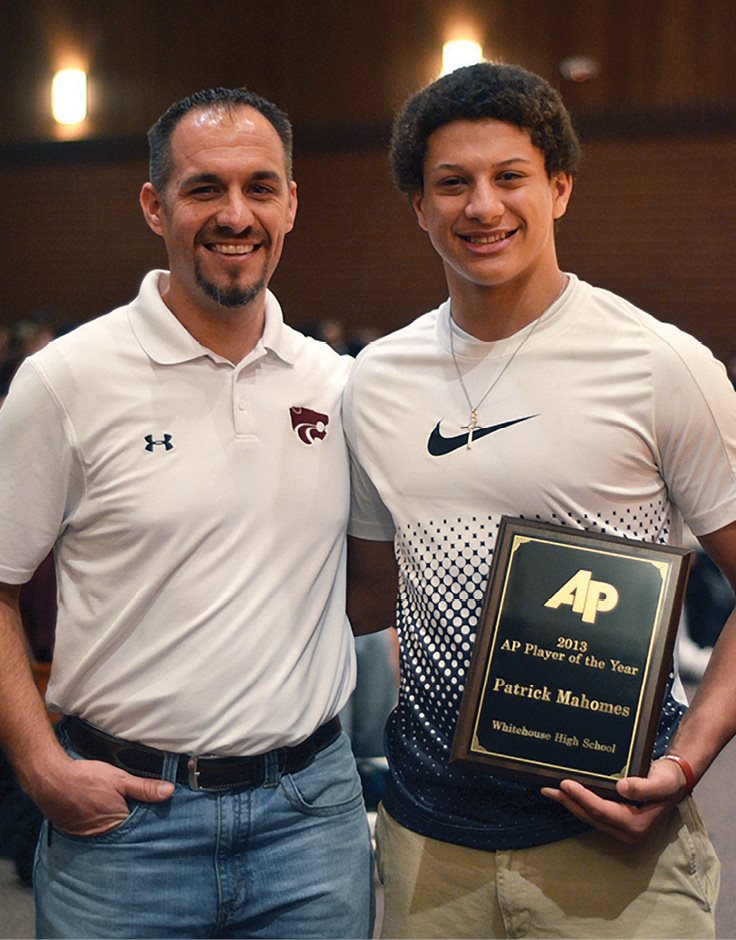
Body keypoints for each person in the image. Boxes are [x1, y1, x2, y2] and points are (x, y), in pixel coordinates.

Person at [344, 62, 736, 939]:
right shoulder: (374, 382)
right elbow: (367, 598)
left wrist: (689, 760)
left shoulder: (658, 363)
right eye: (452, 183)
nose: (482, 205)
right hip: (426, 843)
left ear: (558, 187)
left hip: (617, 847)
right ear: (419, 206)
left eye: (509, 176)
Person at [0, 87, 373, 939]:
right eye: (205, 188)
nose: (234, 215)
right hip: (124, 828)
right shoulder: (67, 382)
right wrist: (39, 764)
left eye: (259, 188)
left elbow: (377, 580)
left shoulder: (341, 384)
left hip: (310, 823)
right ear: (154, 205)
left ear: (289, 207)